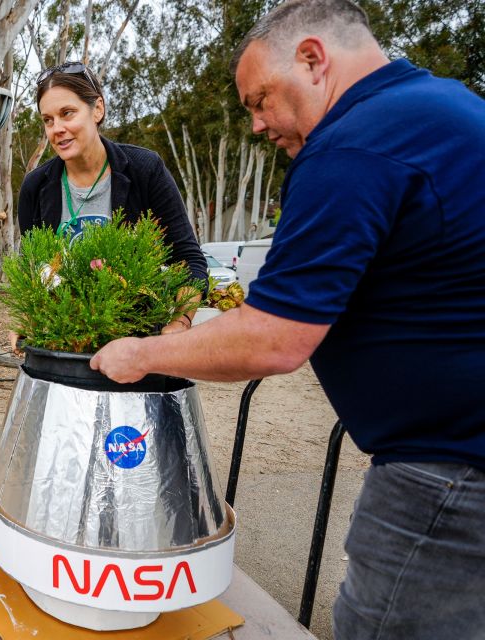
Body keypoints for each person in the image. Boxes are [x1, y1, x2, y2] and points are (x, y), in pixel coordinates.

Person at [90, 1, 485, 638]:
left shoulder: (355, 143)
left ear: (312, 59)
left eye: (261, 99)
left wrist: (138, 352)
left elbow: (274, 338)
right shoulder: (445, 109)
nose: (255, 124)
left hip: (450, 471)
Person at [16, 60, 207, 341]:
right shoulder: (36, 185)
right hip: (65, 342)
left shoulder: (145, 170)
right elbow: (31, 268)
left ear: (98, 109)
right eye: (48, 120)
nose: (57, 128)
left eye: (67, 113)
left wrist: (179, 323)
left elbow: (189, 260)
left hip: (137, 339)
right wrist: (27, 323)